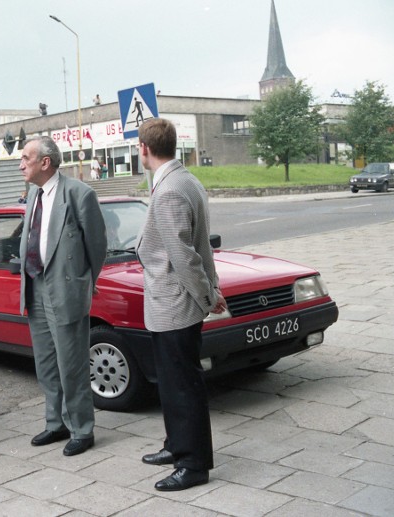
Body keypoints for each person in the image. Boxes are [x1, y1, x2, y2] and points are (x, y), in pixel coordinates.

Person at [135, 118, 227, 491]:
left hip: (174, 304)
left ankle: (192, 464)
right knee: (173, 382)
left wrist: (208, 295)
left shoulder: (170, 190)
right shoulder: (186, 179)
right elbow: (202, 245)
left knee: (181, 385)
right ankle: (176, 446)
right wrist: (212, 287)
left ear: (144, 149)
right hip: (172, 304)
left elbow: (184, 254)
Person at [18, 136, 106, 457]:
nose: (20, 164)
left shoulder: (79, 194)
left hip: (65, 290)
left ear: (45, 162)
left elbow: (97, 246)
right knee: (46, 364)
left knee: (72, 365)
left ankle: (82, 428)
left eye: (26, 158)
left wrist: (85, 282)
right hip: (35, 287)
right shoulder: (32, 195)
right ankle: (55, 423)